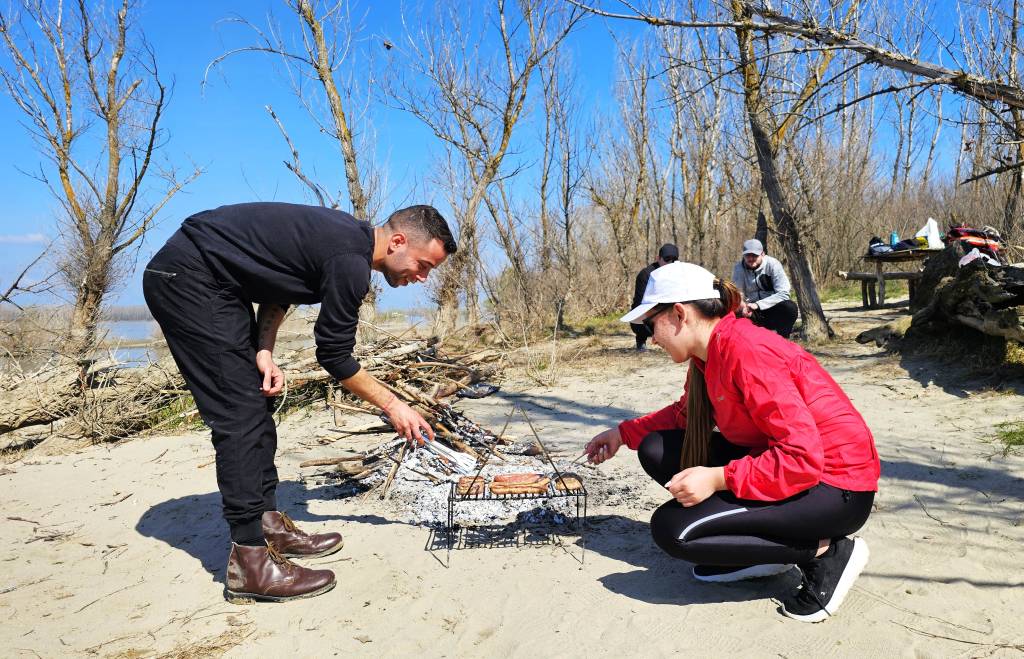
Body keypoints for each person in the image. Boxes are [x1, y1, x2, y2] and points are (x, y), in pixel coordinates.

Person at [143, 202, 457, 602]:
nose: (424, 277)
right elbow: (335, 357)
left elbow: (280, 290)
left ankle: (268, 524)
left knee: (255, 406)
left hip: (216, 283)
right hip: (187, 279)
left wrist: (264, 350)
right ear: (397, 241)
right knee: (238, 416)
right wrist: (394, 405)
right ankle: (250, 564)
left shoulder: (346, 245)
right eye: (424, 264)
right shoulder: (349, 260)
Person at [585, 261, 879, 623]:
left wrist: (718, 478)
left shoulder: (747, 352)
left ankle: (826, 553)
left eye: (650, 325)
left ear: (679, 314)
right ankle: (749, 554)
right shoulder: (709, 356)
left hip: (834, 488)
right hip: (786, 464)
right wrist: (621, 434)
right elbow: (684, 415)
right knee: (656, 448)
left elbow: (801, 459)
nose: (650, 336)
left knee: (674, 531)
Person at [731, 239, 799, 338]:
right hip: (751, 310)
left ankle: (782, 340)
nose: (750, 259)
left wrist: (758, 305)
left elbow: (784, 293)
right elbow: (738, 293)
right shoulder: (739, 268)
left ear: (762, 254)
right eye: (747, 255)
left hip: (771, 307)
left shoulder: (773, 264)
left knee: (790, 307)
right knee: (729, 310)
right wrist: (743, 307)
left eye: (754, 255)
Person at [631, 243, 679, 351]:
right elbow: (640, 303)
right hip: (646, 314)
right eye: (667, 259)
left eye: (674, 260)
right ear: (658, 258)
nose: (670, 263)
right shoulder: (645, 275)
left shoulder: (678, 274)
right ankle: (641, 339)